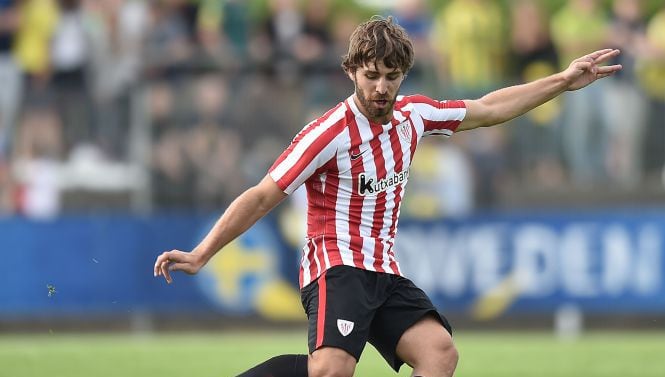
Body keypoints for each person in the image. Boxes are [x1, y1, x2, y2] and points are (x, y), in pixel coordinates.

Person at [153, 16, 621, 377]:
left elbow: (489, 108)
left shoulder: (414, 115)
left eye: (391, 77)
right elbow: (261, 195)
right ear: (352, 70)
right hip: (335, 267)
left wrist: (562, 80)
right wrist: (201, 252)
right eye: (371, 74)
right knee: (332, 370)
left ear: (403, 75)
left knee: (440, 354)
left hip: (384, 269)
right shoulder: (327, 133)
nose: (381, 87)